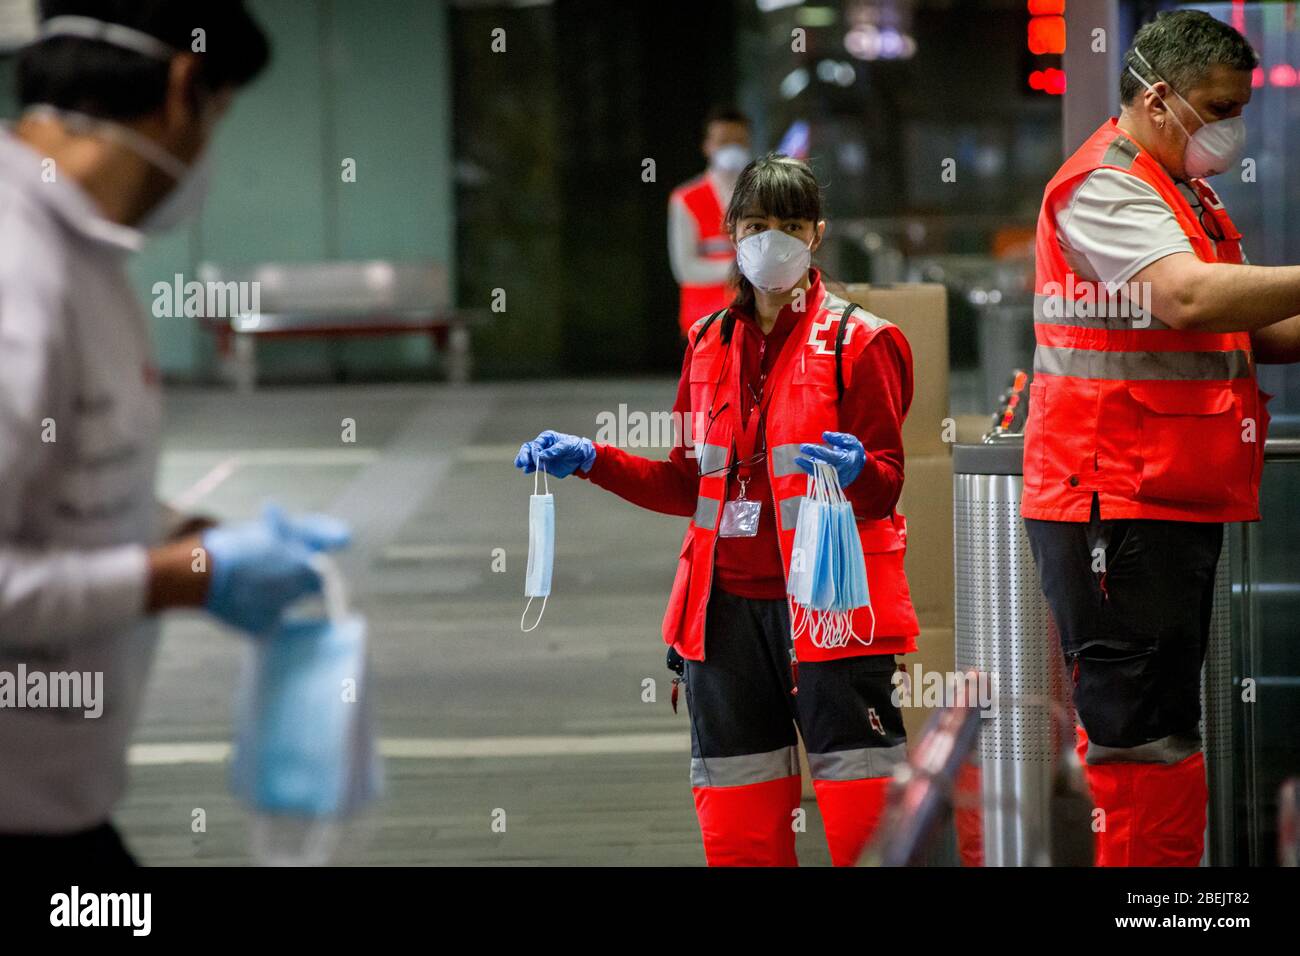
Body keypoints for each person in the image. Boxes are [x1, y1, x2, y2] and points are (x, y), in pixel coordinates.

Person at [0, 2, 350, 868]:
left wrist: (186, 538)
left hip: (58, 805)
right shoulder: (18, 270)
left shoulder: (84, 252)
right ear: (184, 85)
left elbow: (53, 478)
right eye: (219, 118)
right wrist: (181, 577)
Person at [517, 155, 920, 866]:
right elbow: (685, 484)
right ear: (731, 233)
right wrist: (592, 459)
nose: (774, 240)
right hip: (723, 616)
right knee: (739, 824)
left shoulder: (860, 342)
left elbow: (885, 483)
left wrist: (860, 473)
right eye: (758, 225)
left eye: (791, 225)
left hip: (830, 613)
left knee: (867, 822)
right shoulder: (708, 342)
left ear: (817, 234)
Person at [1024, 9, 1300, 866]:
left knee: (1164, 732)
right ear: (1156, 98)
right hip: (1112, 498)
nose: (1231, 126)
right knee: (1138, 740)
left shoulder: (1182, 190)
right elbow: (1187, 299)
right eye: (1217, 107)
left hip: (1163, 494)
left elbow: (1245, 330)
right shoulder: (1105, 186)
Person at [667, 106, 752, 338]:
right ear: (707, 146)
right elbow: (685, 269)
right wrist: (743, 269)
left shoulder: (762, 195)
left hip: (755, 316)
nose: (732, 148)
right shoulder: (686, 199)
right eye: (724, 141)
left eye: (739, 141)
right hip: (704, 319)